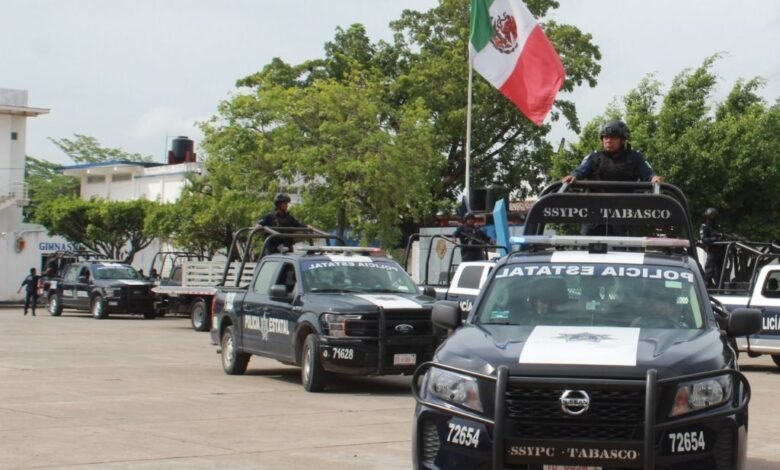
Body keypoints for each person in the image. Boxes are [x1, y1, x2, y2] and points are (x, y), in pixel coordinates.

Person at [562, 120, 663, 236]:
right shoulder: (594, 157)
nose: (608, 140)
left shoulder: (634, 158)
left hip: (624, 214)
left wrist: (653, 178)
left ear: (623, 140)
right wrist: (574, 176)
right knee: (586, 248)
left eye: (613, 137)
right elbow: (582, 169)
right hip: (594, 214)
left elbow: (648, 173)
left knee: (627, 251)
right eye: (606, 137)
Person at [700, 207, 725, 288]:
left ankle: (719, 287)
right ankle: (707, 286)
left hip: (720, 251)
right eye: (711, 216)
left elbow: (722, 236)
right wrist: (714, 239)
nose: (712, 218)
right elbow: (704, 239)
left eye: (714, 216)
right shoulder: (704, 226)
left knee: (720, 272)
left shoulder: (718, 226)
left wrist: (720, 237)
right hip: (712, 251)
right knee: (709, 270)